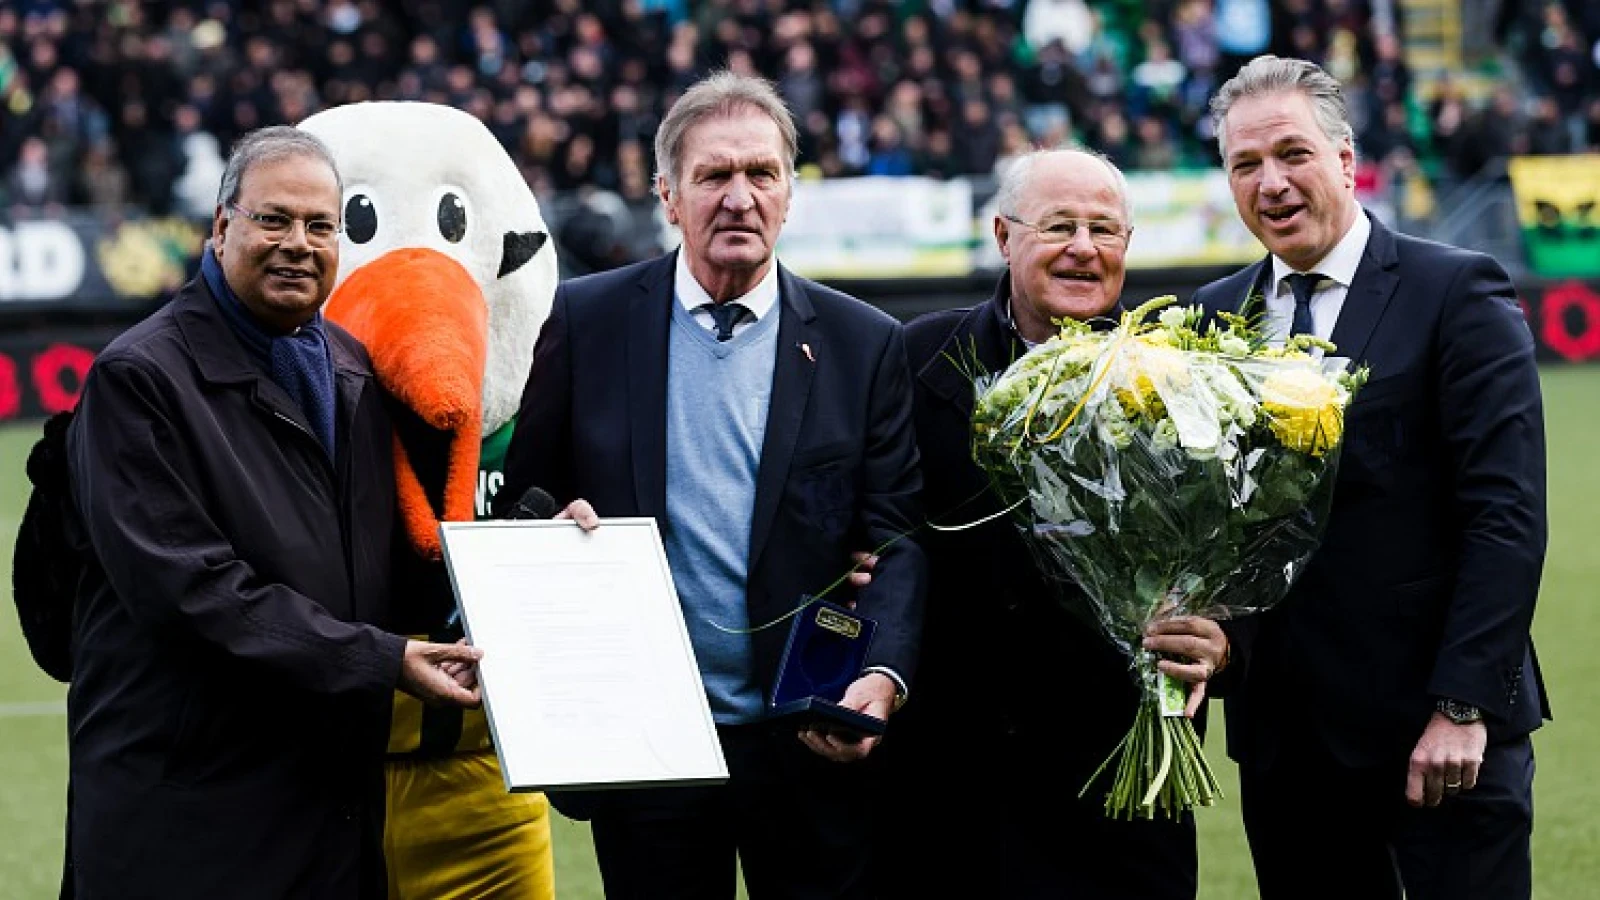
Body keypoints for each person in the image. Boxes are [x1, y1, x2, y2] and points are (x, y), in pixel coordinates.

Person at [498, 71, 927, 900]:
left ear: (790, 194)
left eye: (761, 174)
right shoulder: (585, 319)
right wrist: (552, 521)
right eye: (714, 176)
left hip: (805, 731)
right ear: (667, 194)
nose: (739, 197)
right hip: (650, 737)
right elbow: (528, 494)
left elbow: (899, 534)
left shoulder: (863, 342)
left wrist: (885, 675)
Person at [64, 126, 483, 900]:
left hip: (329, 812)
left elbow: (382, 572)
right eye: (273, 219)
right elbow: (192, 594)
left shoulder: (350, 367)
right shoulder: (140, 379)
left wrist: (537, 551)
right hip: (192, 820)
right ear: (221, 228)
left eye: (320, 226)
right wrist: (381, 660)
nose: (299, 243)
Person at [1194, 56, 1548, 899]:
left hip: (1436, 738)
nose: (1271, 183)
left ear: (1347, 160)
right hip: (1287, 749)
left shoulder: (1456, 290)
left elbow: (1506, 516)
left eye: (1293, 154)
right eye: (1246, 165)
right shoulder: (1211, 320)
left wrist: (1463, 707)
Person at [874, 147, 1231, 899]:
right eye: (1060, 225)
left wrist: (1223, 636)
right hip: (952, 777)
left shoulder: (1186, 377)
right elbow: (877, 526)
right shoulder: (917, 357)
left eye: (1104, 229)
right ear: (1004, 238)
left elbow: (1236, 548)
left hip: (1119, 780)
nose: (1083, 247)